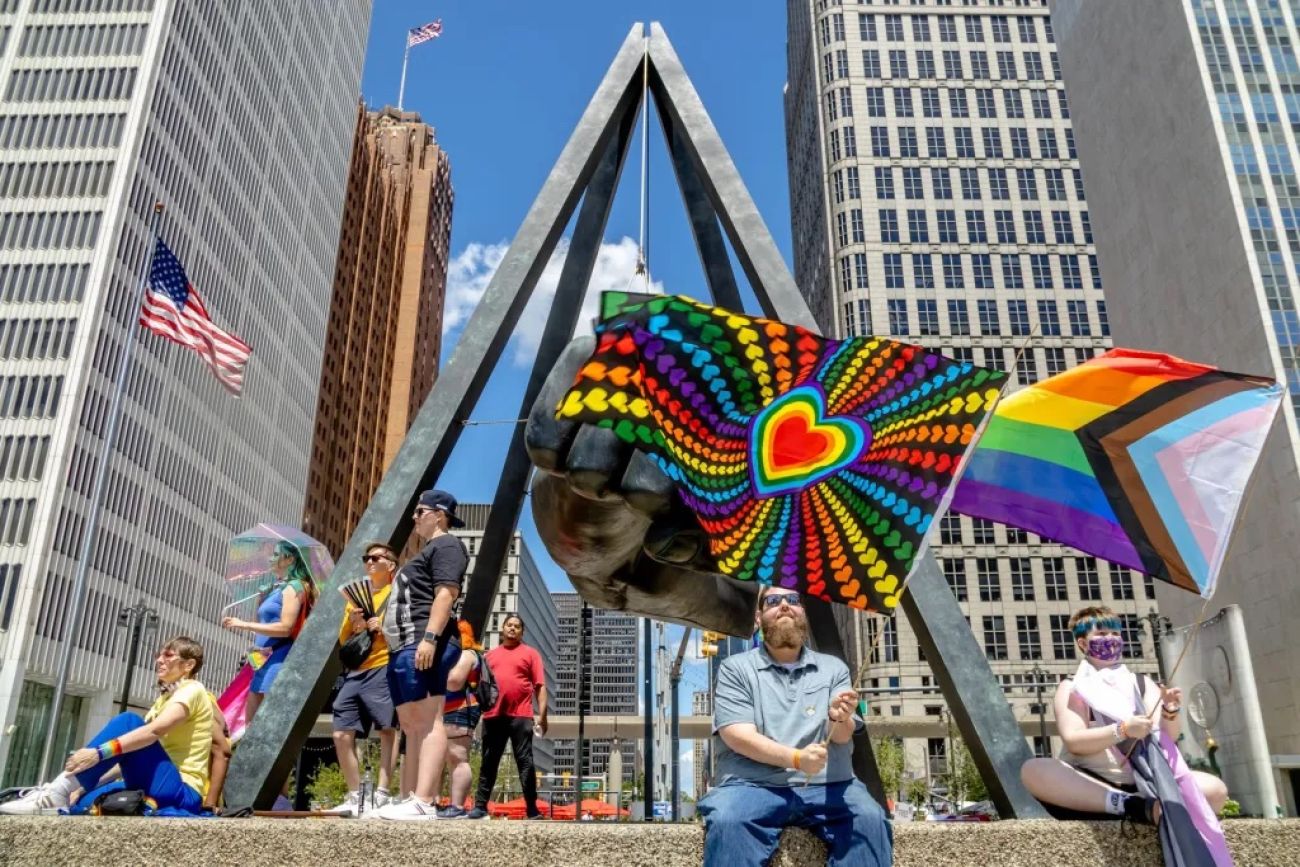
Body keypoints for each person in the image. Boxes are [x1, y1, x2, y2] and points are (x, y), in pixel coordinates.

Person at [695, 586, 892, 867]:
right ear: (759, 617)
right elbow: (736, 735)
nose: (785, 605)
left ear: (805, 614)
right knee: (729, 821)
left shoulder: (834, 668)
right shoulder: (735, 668)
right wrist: (797, 759)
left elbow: (845, 733)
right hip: (751, 785)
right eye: (773, 601)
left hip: (832, 785)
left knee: (870, 819)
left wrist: (840, 717)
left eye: (794, 600)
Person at [1021, 607, 1231, 864]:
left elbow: (1167, 738)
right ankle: (1130, 806)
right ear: (1082, 642)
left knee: (1215, 790)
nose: (1110, 638)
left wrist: (1170, 710)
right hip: (1092, 782)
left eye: (1114, 632)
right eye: (1101, 633)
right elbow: (1074, 741)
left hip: (1148, 782)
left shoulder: (1141, 683)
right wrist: (1121, 730)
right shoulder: (1073, 686)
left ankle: (1145, 805)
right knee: (1034, 770)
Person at [1, 637, 214, 815]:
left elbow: (154, 731)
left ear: (189, 665)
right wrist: (82, 784)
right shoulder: (163, 700)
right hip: (154, 782)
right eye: (158, 655)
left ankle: (55, 793)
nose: (159, 660)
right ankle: (58, 790)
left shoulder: (193, 688)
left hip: (183, 790)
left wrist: (98, 753)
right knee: (83, 802)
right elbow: (125, 753)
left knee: (129, 721)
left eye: (168, 655)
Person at [375, 489, 468, 820]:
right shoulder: (428, 550)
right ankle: (411, 798)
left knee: (428, 720)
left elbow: (446, 593)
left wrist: (430, 638)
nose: (414, 518)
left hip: (424, 641)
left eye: (420, 512)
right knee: (411, 724)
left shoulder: (447, 546)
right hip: (402, 645)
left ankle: (424, 800)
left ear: (438, 515)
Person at [328, 541, 401, 817]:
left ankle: (382, 793)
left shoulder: (396, 593)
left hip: (383, 665)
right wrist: (354, 624)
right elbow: (344, 641)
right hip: (356, 671)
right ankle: (355, 794)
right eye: (366, 559)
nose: (369, 562)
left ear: (390, 565)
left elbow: (405, 627)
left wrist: (382, 628)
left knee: (387, 729)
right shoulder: (355, 599)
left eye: (375, 558)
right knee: (340, 732)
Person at [221, 540, 316, 723]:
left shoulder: (295, 587)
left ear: (289, 559)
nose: (271, 558)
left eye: (275, 554)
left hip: (279, 658)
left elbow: (285, 628)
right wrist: (262, 599)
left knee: (266, 722)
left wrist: (243, 624)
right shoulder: (277, 588)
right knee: (251, 723)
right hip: (262, 658)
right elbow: (262, 626)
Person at [467, 613, 549, 820]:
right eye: (509, 625)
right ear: (503, 629)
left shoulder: (531, 654)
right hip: (493, 715)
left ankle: (532, 808)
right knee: (489, 761)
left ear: (522, 632)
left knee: (525, 762)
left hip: (521, 715)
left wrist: (543, 715)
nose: (512, 628)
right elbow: (481, 688)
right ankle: (480, 806)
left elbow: (540, 686)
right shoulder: (489, 656)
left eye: (517, 626)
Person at [436, 619, 484, 818]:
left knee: (457, 757)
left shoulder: (467, 654)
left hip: (460, 708)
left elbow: (454, 682)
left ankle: (456, 806)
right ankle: (436, 803)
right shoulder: (457, 654)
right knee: (440, 759)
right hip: (446, 709)